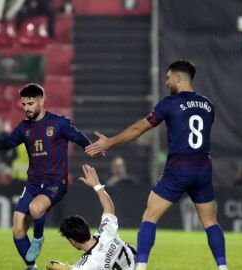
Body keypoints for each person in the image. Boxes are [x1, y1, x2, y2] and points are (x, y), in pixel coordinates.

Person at [86, 60, 228, 270]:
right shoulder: (208, 105)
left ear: (178, 78)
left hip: (179, 167)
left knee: (150, 216)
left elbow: (138, 129)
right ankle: (223, 268)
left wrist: (110, 142)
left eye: (169, 77)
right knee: (210, 222)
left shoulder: (169, 103)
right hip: (203, 168)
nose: (166, 81)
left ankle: (141, 266)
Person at [0, 83, 93, 270]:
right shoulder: (24, 128)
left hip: (56, 183)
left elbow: (80, 138)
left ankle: (38, 238)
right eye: (24, 104)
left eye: (30, 104)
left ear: (41, 101)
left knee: (36, 208)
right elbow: (6, 143)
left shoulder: (59, 123)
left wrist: (95, 148)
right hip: (33, 184)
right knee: (18, 229)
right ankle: (31, 267)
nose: (27, 108)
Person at [46, 164, 136, 270]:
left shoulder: (88, 264)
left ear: (72, 241)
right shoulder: (106, 233)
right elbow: (109, 209)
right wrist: (97, 185)